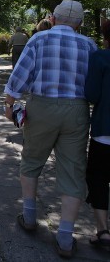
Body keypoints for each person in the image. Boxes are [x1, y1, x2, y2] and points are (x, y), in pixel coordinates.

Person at [3, 0, 97, 258]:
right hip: (77, 111)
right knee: (73, 169)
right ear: (79, 23)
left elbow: (20, 74)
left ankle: (30, 216)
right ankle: (66, 238)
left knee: (32, 160)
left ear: (53, 19)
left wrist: (10, 103)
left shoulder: (39, 40)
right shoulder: (89, 45)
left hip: (41, 107)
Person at [85, 20, 110, 248]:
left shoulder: (101, 58)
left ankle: (103, 230)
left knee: (99, 179)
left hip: (105, 130)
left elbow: (92, 94)